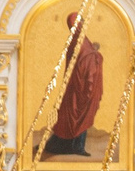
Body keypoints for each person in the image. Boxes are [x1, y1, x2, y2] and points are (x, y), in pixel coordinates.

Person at [42, 12, 103, 160]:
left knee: (73, 117)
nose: (83, 23)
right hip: (80, 88)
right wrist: (96, 55)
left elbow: (84, 56)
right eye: (80, 21)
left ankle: (63, 145)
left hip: (75, 87)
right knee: (79, 116)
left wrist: (93, 50)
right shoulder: (78, 41)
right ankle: (77, 147)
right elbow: (85, 61)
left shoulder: (76, 39)